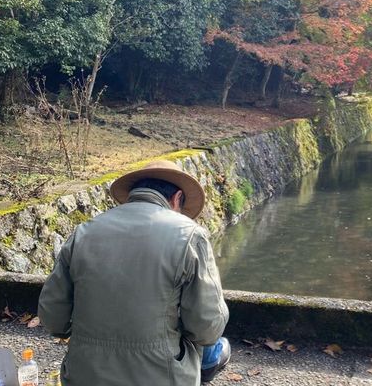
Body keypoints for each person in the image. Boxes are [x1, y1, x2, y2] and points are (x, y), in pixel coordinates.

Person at [38, 159, 230, 386]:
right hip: (160, 378)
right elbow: (207, 327)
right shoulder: (190, 236)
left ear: (134, 193)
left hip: (84, 375)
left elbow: (52, 317)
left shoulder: (84, 232)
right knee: (218, 348)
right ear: (177, 198)